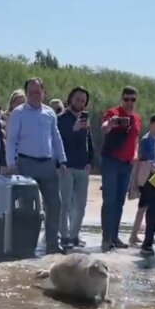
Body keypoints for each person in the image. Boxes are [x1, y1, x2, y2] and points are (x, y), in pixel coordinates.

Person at [6, 77, 67, 254]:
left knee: (55, 204)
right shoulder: (18, 113)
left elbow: (56, 138)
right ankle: (25, 244)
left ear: (43, 93)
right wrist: (11, 163)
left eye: (38, 92)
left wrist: (62, 161)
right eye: (32, 92)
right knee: (28, 206)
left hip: (47, 164)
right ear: (26, 94)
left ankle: (52, 244)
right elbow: (11, 140)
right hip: (26, 164)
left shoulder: (49, 113)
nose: (35, 95)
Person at [100, 86, 142, 252]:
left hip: (127, 164)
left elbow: (136, 139)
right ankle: (106, 238)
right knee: (109, 200)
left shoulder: (137, 118)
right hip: (111, 161)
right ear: (121, 99)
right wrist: (110, 123)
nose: (129, 103)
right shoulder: (113, 113)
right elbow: (104, 128)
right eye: (126, 99)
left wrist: (135, 154)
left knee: (119, 202)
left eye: (133, 100)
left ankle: (114, 236)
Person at [56, 87, 93, 248]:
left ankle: (74, 235)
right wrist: (74, 129)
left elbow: (88, 141)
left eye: (83, 100)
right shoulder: (61, 118)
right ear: (71, 99)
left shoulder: (85, 118)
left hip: (82, 166)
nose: (80, 103)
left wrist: (90, 161)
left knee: (80, 205)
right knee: (64, 204)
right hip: (66, 166)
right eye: (77, 99)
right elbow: (58, 141)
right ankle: (64, 236)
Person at [129, 115, 155, 246]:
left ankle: (146, 234)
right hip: (146, 176)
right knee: (143, 206)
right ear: (151, 124)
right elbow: (142, 160)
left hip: (152, 176)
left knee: (149, 207)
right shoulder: (146, 140)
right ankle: (134, 235)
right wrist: (136, 180)